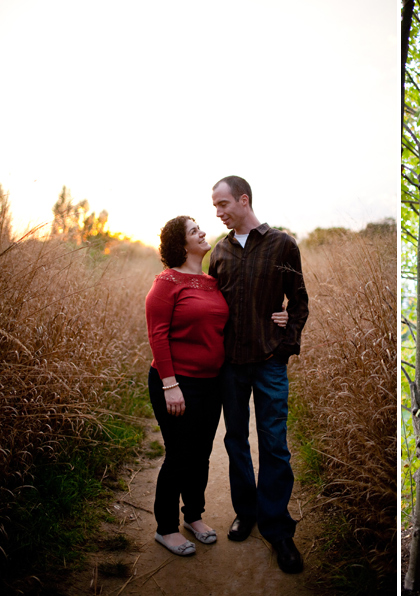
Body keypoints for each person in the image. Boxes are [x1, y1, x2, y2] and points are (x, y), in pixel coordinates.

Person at [145, 215, 287, 557]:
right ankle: (165, 528)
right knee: (179, 455)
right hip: (177, 383)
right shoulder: (166, 283)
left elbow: (241, 310)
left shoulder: (211, 281)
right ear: (182, 244)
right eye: (195, 231)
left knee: (202, 454)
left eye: (199, 228)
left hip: (212, 383)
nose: (203, 232)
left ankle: (193, 516)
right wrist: (170, 385)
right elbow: (157, 335)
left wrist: (279, 315)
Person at [209, 175, 309, 574]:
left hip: (269, 363)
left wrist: (287, 339)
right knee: (236, 441)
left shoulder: (283, 244)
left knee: (274, 444)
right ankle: (246, 512)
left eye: (222, 204)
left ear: (243, 200)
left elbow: (299, 301)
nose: (217, 212)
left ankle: (278, 529)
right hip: (231, 365)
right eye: (214, 206)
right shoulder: (218, 253)